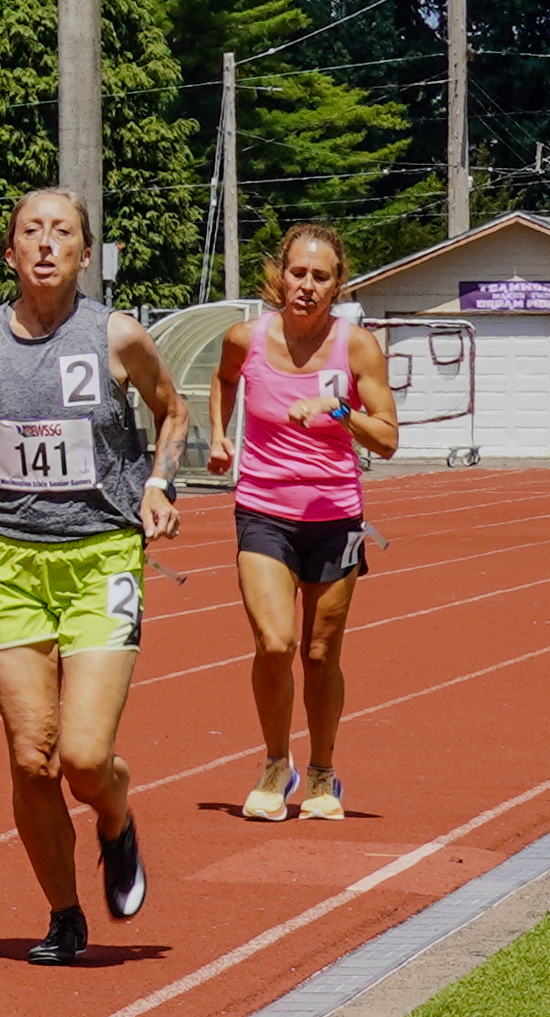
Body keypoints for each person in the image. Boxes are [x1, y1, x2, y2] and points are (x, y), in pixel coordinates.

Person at [0, 189, 189, 966]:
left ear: (85, 253)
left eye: (62, 232)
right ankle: (64, 912)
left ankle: (117, 816)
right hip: (9, 560)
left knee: (84, 759)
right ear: (9, 251)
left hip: (101, 556)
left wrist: (160, 484)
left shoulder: (116, 335)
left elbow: (174, 412)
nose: (45, 243)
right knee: (32, 756)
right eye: (30, 231)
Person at [208, 224, 397, 821]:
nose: (307, 286)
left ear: (337, 285)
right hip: (263, 508)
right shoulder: (246, 338)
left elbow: (388, 438)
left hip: (336, 516)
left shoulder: (357, 347)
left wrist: (339, 411)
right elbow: (224, 379)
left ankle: (322, 773)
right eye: (298, 273)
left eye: (320, 276)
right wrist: (218, 434)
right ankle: (274, 763)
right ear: (279, 276)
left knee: (318, 652)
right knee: (274, 642)